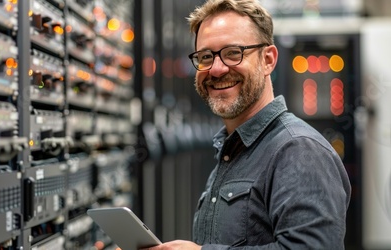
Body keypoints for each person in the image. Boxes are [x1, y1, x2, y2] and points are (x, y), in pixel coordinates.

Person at [143, 0, 351, 249]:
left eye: (233, 53)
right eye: (206, 56)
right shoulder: (233, 151)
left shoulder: (298, 151)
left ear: (268, 59)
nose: (217, 69)